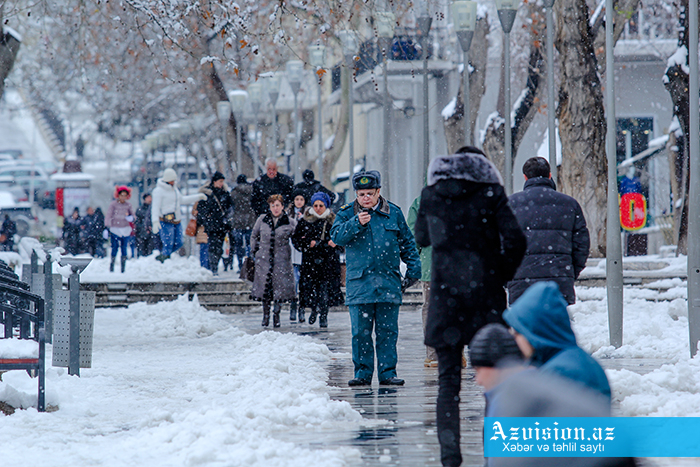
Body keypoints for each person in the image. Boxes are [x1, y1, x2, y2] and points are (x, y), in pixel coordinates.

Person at [413, 147, 526, 467]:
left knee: (448, 384)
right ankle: (495, 455)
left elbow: (421, 236)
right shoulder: (492, 193)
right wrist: (499, 273)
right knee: (495, 382)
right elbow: (516, 240)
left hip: (446, 299)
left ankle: (451, 458)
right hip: (485, 299)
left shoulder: (432, 194)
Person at [331, 170, 421, 387]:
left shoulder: (393, 213)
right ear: (356, 194)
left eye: (370, 193)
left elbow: (408, 244)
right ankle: (362, 373)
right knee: (360, 333)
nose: (366, 198)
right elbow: (336, 237)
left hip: (388, 284)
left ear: (378, 192)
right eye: (361, 194)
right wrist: (356, 223)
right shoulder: (346, 214)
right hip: (359, 285)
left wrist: (412, 274)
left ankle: (387, 373)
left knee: (387, 332)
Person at [503, 281, 612, 402]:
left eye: (518, 332)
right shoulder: (567, 360)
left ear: (533, 333)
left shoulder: (561, 373)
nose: (514, 339)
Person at [507, 156, 590, 305]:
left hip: (521, 282)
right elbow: (582, 245)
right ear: (550, 175)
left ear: (525, 177)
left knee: (526, 326)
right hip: (559, 280)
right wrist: (569, 272)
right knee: (553, 326)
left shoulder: (510, 205)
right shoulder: (570, 204)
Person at [292, 192, 344, 328]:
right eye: (315, 205)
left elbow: (342, 239)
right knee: (311, 289)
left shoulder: (333, 220)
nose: (318, 208)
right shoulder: (305, 220)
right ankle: (314, 310)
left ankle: (324, 315)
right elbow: (296, 239)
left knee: (325, 290)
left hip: (329, 261)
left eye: (321, 205)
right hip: (311, 262)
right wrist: (308, 243)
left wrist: (335, 242)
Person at [250, 194, 297, 328]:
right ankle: (265, 316)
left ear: (282, 206)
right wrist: (255, 250)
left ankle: (276, 316)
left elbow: (298, 238)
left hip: (282, 260)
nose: (275, 208)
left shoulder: (290, 222)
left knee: (279, 289)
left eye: (277, 205)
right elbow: (254, 235)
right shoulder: (262, 219)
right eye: (272, 206)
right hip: (264, 259)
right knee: (265, 288)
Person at [151, 168, 207, 263]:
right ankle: (164, 260)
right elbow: (155, 207)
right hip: (165, 221)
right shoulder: (159, 191)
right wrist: (155, 221)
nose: (173, 182)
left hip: (177, 220)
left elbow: (182, 200)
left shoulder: (175, 190)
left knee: (179, 242)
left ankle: (164, 255)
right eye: (172, 180)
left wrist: (198, 197)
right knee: (168, 243)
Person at [407, 195, 436, 367]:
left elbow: (414, 234)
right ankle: (455, 351)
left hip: (431, 264)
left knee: (431, 309)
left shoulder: (421, 201)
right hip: (458, 265)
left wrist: (418, 256)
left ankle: (433, 354)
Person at [197, 172, 233, 275]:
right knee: (214, 246)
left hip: (222, 225)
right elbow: (201, 209)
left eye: (222, 181)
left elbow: (230, 207)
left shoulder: (225, 193)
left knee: (220, 247)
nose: (222, 183)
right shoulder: (208, 194)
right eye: (220, 181)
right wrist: (206, 219)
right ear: (214, 181)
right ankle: (213, 267)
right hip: (213, 225)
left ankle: (215, 266)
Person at [287, 190, 306, 321]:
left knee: (303, 283)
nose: (299, 202)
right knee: (294, 282)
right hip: (291, 252)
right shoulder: (288, 214)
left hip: (304, 253)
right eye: (297, 199)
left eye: (301, 199)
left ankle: (302, 309)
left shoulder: (308, 214)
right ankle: (293, 307)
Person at [105, 186, 135, 273]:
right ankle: (112, 265)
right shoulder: (113, 204)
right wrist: (107, 226)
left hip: (125, 229)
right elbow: (109, 215)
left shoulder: (128, 205)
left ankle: (123, 267)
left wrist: (131, 218)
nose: (123, 197)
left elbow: (133, 215)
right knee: (114, 247)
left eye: (125, 195)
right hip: (115, 229)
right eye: (121, 195)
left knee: (124, 248)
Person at [230, 174, 256, 271]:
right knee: (250, 244)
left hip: (238, 222)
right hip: (250, 221)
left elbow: (231, 206)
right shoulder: (252, 191)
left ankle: (240, 265)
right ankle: (249, 265)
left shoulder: (234, 193)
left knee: (239, 246)